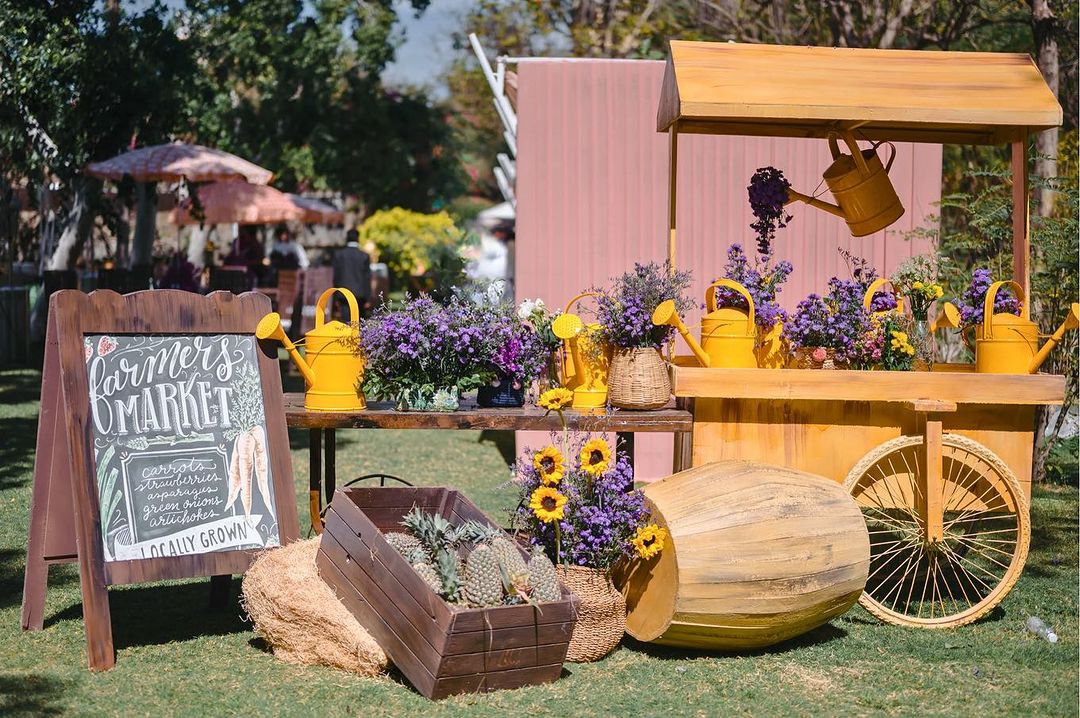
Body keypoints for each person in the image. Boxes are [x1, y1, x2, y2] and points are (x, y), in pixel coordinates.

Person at [332, 228, 371, 321]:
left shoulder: (339, 255)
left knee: (346, 322)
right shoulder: (364, 256)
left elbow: (336, 277)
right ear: (358, 238)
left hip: (343, 294)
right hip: (360, 295)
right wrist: (368, 298)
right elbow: (367, 278)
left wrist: (335, 297)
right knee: (359, 323)